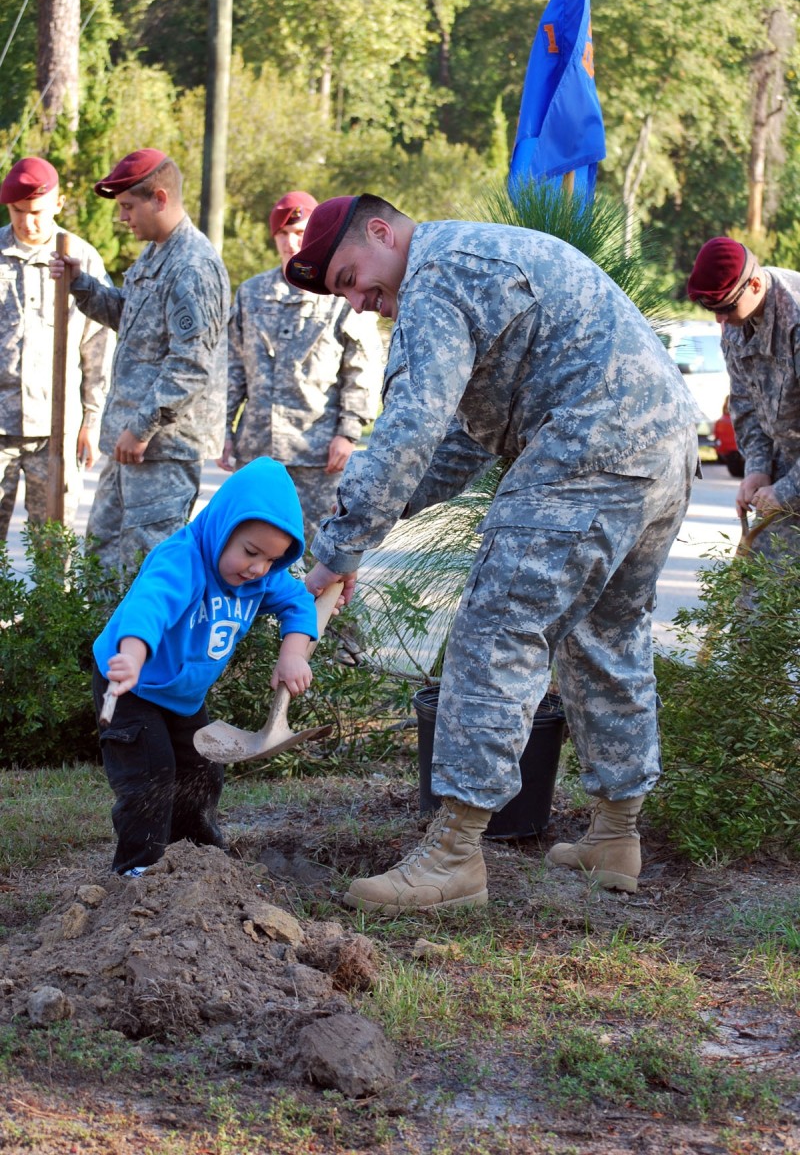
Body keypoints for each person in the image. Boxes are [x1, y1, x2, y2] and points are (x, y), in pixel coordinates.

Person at [285, 193, 700, 914]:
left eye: (351, 276)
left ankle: (451, 857)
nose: (357, 302)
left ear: (382, 232)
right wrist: (359, 538)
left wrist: (335, 552)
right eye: (343, 293)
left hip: (589, 449)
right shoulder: (478, 255)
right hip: (660, 449)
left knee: (496, 628)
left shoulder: (436, 275)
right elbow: (455, 445)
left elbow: (410, 424)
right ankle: (615, 834)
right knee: (606, 634)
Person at [92, 456, 319, 876]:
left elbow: (298, 601)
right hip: (131, 687)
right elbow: (149, 605)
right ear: (223, 525)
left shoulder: (258, 576)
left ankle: (196, 856)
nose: (258, 569)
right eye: (251, 552)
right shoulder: (183, 560)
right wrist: (134, 656)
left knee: (203, 770)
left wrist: (293, 653)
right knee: (150, 777)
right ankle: (137, 870)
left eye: (271, 561)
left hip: (182, 696)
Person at [51, 149, 229, 575]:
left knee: (147, 571)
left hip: (160, 449)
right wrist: (82, 285)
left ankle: (143, 646)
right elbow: (130, 319)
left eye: (128, 207)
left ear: (161, 198)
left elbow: (191, 365)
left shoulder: (192, 266)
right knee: (101, 559)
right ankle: (97, 644)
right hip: (129, 444)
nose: (123, 218)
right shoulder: (155, 254)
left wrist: (142, 426)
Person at [219, 190, 384, 551]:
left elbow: (360, 368)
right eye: (284, 233)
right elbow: (233, 367)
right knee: (249, 550)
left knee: (315, 552)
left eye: (301, 232)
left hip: (317, 453)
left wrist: (349, 431)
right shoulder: (251, 293)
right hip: (257, 450)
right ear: (274, 236)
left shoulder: (338, 288)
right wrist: (224, 429)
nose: (292, 242)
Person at [0, 156, 114, 540]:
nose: (27, 222)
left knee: (53, 549)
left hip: (56, 430)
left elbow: (99, 346)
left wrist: (92, 421)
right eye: (18, 212)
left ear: (59, 204)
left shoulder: (80, 258)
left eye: (37, 212)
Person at [687, 237, 800, 555]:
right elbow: (745, 400)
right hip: (785, 466)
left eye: (724, 307)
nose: (719, 319)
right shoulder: (736, 322)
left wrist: (789, 490)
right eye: (710, 309)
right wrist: (757, 469)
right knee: (754, 592)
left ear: (753, 284)